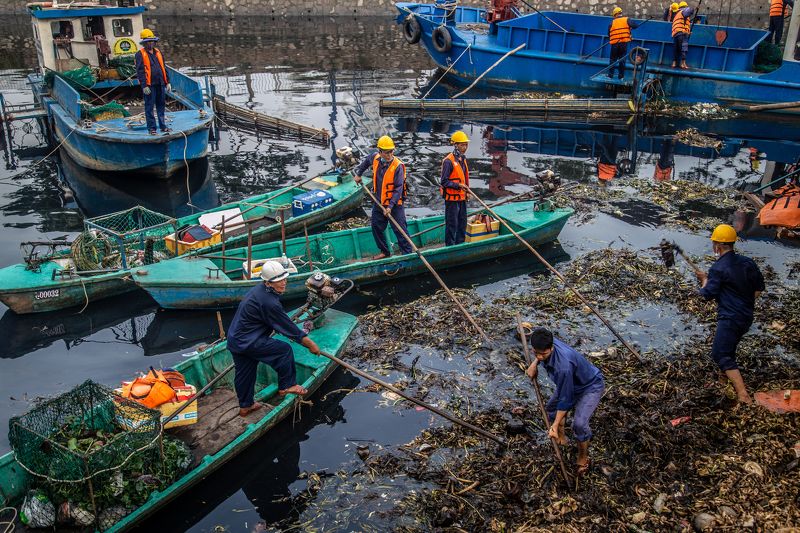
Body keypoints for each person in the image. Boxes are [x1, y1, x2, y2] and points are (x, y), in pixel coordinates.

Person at [227, 260, 321, 417]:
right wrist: (310, 344)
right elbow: (288, 328)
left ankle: (245, 405)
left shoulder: (259, 290)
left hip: (235, 340)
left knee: (245, 373)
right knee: (283, 351)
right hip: (250, 341)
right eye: (279, 281)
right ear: (268, 282)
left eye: (284, 279)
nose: (284, 283)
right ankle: (287, 385)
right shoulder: (269, 302)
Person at [695, 225, 765, 404]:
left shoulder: (718, 268)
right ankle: (723, 381)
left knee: (720, 353)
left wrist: (704, 280)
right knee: (729, 348)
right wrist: (742, 302)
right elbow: (758, 289)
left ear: (717, 246)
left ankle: (743, 395)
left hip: (730, 318)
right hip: (746, 317)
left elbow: (706, 295)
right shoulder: (747, 262)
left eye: (714, 243)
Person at [525, 328, 605, 475]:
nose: (540, 357)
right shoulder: (547, 341)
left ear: (552, 347)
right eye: (536, 353)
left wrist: (554, 424)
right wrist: (534, 363)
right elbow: (540, 352)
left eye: (544, 354)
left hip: (590, 385)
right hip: (571, 383)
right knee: (551, 410)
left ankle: (583, 457)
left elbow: (565, 399)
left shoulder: (563, 367)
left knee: (579, 424)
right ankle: (562, 438)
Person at [353, 135, 412, 259]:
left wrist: (390, 206)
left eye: (391, 152)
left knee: (400, 230)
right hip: (379, 202)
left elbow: (398, 189)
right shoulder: (375, 158)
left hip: (395, 205)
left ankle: (407, 254)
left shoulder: (398, 166)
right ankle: (385, 252)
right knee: (376, 226)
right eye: (386, 152)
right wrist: (359, 174)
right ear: (379, 152)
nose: (390, 155)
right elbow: (365, 163)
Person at [134, 29, 171, 135]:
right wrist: (144, 85)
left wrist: (167, 82)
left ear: (154, 42)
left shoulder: (158, 53)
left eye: (152, 41)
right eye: (148, 41)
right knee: (149, 106)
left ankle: (163, 126)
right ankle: (152, 128)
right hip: (150, 86)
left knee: (161, 105)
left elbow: (163, 67)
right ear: (144, 43)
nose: (150, 43)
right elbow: (140, 71)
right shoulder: (139, 54)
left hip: (160, 84)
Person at [440, 130, 470, 246]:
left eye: (466, 144)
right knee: (452, 224)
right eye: (462, 145)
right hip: (452, 200)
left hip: (461, 198)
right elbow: (444, 181)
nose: (465, 147)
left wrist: (467, 192)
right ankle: (450, 246)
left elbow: (464, 178)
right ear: (455, 145)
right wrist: (458, 185)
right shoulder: (448, 161)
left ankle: (460, 245)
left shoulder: (462, 159)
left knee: (462, 222)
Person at [607, 7, 642, 79]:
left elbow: (609, 34)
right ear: (620, 13)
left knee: (612, 60)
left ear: (615, 14)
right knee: (622, 60)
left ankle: (610, 75)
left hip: (615, 44)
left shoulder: (612, 22)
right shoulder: (627, 19)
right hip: (623, 44)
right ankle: (621, 76)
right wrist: (629, 28)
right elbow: (635, 26)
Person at [671, 3, 694, 69]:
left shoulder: (677, 15)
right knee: (684, 48)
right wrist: (693, 9)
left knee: (676, 49)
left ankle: (674, 63)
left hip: (676, 34)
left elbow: (682, 24)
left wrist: (688, 32)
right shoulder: (683, 12)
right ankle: (683, 63)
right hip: (682, 34)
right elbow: (688, 11)